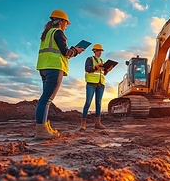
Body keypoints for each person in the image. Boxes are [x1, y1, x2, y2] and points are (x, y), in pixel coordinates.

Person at [35, 9, 84, 139]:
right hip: (54, 68)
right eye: (66, 23)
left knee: (45, 99)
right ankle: (41, 131)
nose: (66, 26)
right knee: (46, 100)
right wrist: (77, 50)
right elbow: (66, 52)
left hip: (44, 68)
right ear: (61, 21)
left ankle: (44, 127)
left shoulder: (47, 34)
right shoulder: (58, 32)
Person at [80, 43, 114, 131]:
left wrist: (108, 71)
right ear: (94, 51)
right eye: (99, 51)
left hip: (100, 84)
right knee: (88, 102)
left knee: (98, 103)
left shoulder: (102, 61)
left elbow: (103, 73)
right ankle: (83, 124)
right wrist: (95, 67)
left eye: (101, 51)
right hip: (91, 83)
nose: (100, 53)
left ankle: (97, 123)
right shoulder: (90, 59)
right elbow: (87, 69)